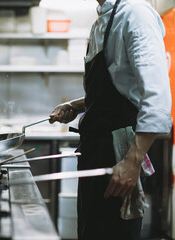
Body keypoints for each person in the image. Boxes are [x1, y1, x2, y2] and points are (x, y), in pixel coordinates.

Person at [49, 0, 172, 239]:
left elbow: (157, 100)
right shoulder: (103, 20)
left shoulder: (135, 14)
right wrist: (75, 105)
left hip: (119, 158)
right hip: (94, 155)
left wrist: (132, 162)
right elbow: (119, 88)